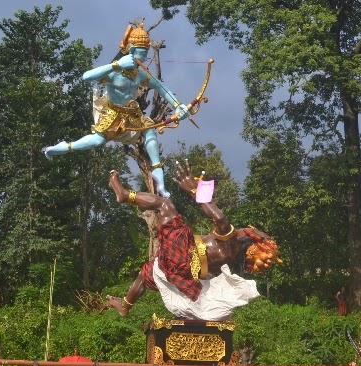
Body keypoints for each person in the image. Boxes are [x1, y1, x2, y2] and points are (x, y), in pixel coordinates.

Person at [104, 162, 280, 321]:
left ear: (252, 241)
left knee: (165, 205)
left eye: (255, 232)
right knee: (147, 273)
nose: (250, 228)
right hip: (185, 272)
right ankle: (125, 306)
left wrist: (193, 189)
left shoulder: (231, 243)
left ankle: (124, 195)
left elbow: (220, 219)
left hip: (183, 256)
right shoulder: (230, 261)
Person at [42, 22, 190, 198]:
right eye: (141, 53)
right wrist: (116, 65)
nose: (144, 57)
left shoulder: (139, 74)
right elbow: (86, 76)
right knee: (97, 141)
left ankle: (159, 179)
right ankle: (64, 147)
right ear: (131, 50)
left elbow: (160, 87)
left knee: (150, 132)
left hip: (133, 112)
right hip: (114, 114)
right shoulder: (113, 72)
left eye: (146, 53)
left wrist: (178, 105)